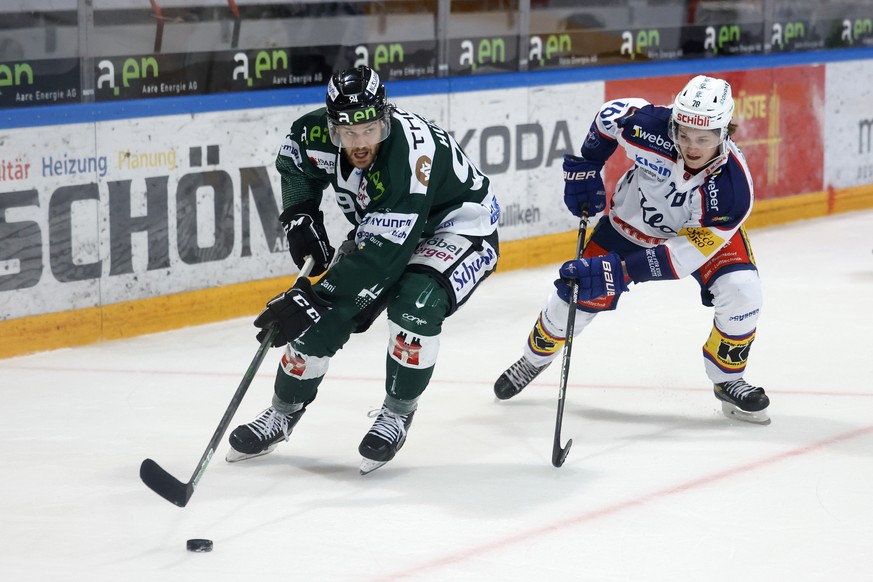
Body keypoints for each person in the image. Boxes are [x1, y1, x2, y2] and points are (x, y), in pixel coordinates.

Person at [227, 65, 500, 473]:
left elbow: (382, 259)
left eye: (369, 130)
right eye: (348, 133)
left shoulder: (408, 154)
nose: (360, 143)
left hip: (458, 228)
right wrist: (300, 215)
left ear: (385, 118)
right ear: (333, 125)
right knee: (321, 318)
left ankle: (396, 413)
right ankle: (282, 413)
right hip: (389, 226)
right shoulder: (315, 132)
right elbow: (296, 165)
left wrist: (312, 297)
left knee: (414, 304)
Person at [494, 75, 770, 424]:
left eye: (704, 138)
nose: (692, 146)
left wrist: (621, 273)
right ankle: (532, 360)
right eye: (684, 134)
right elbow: (607, 117)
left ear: (725, 131)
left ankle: (728, 378)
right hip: (630, 224)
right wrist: (588, 166)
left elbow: (681, 257)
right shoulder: (647, 125)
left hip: (697, 235)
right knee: (572, 300)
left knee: (743, 290)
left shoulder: (732, 189)